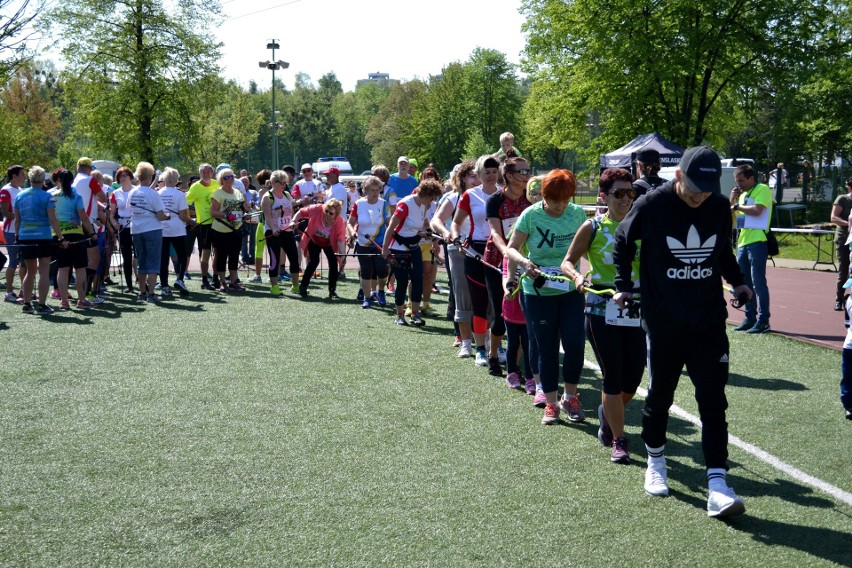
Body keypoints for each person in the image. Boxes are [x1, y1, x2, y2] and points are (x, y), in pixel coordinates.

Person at [612, 145, 752, 518]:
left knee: (713, 400)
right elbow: (623, 242)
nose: (699, 196)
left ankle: (718, 484)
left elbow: (722, 250)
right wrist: (624, 284)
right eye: (693, 188)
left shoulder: (720, 206)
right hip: (664, 320)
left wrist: (737, 281)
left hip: (708, 320)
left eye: (706, 191)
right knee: (660, 396)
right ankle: (656, 462)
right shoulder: (651, 204)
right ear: (678, 176)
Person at [562, 168, 644, 464]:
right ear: (603, 197)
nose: (625, 199)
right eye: (618, 193)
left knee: (633, 378)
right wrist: (577, 278)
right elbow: (567, 262)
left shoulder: (643, 226)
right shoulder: (593, 227)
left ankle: (607, 414)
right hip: (601, 308)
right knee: (613, 373)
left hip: (636, 308)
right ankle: (619, 440)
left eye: (630, 193)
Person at [506, 169, 588, 425]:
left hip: (570, 290)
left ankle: (570, 397)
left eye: (565, 200)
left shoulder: (577, 214)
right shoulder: (530, 215)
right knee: (547, 347)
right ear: (544, 196)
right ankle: (550, 403)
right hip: (538, 292)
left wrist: (583, 274)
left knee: (575, 344)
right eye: (555, 201)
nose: (560, 206)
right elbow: (511, 248)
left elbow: (587, 251)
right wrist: (525, 263)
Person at [450, 155, 504, 375]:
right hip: (474, 252)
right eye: (486, 172)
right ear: (479, 175)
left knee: (500, 305)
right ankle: (480, 348)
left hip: (500, 252)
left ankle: (496, 346)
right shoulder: (469, 195)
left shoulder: (505, 194)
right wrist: (456, 239)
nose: (490, 176)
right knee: (479, 303)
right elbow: (456, 223)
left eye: (494, 172)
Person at [483, 156, 533, 375]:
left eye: (528, 171)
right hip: (496, 262)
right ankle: (493, 355)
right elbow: (495, 233)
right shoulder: (495, 201)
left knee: (523, 319)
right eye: (523, 172)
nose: (527, 175)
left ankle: (514, 366)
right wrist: (508, 254)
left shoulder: (531, 200)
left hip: (526, 263)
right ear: (510, 176)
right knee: (501, 317)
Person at [430, 160, 478, 357]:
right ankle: (465, 341)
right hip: (458, 250)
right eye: (472, 176)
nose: (476, 179)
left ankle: (488, 343)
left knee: (487, 299)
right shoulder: (453, 197)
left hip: (484, 251)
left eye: (478, 175)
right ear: (463, 179)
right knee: (462, 296)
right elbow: (436, 221)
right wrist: (446, 232)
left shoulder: (490, 196)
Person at [382, 179, 443, 326]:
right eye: (432, 197)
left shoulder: (423, 205)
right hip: (399, 247)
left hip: (414, 246)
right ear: (426, 194)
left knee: (417, 280)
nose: (432, 201)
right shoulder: (405, 204)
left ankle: (415, 314)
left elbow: (426, 223)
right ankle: (400, 315)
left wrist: (432, 236)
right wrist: (385, 248)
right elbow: (391, 227)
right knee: (402, 282)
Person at [14, 166, 67, 314]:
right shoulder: (47, 197)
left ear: (30, 179)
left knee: (30, 272)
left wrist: (18, 236)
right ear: (43, 180)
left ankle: (27, 303)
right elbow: (53, 219)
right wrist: (61, 237)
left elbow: (17, 220)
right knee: (44, 271)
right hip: (43, 236)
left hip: (25, 237)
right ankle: (42, 305)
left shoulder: (20, 196)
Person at [730, 164, 772, 334]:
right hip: (743, 242)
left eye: (742, 180)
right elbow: (732, 217)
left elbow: (757, 210)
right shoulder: (742, 195)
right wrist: (732, 200)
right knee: (744, 283)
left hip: (758, 241)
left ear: (751, 178)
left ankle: (763, 320)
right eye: (737, 181)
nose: (739, 184)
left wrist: (737, 207)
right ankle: (749, 317)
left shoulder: (762, 189)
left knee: (758, 283)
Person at [51, 168, 96, 309]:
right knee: (80, 268)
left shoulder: (53, 196)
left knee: (63, 268)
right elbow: (83, 217)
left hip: (58, 236)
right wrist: (92, 232)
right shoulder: (76, 197)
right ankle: (81, 300)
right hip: (76, 235)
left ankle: (64, 300)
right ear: (71, 181)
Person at [128, 162, 169, 301]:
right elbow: (160, 215)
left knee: (141, 261)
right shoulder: (153, 193)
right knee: (153, 261)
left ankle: (141, 293)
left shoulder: (132, 192)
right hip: (152, 229)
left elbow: (130, 209)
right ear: (150, 177)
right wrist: (167, 216)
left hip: (136, 230)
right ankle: (151, 293)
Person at [291, 198, 346, 299]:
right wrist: (294, 220)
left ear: (336, 214)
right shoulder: (316, 209)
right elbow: (301, 212)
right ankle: (303, 287)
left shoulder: (340, 222)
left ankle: (332, 290)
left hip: (329, 244)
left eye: (331, 213)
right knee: (314, 262)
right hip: (314, 240)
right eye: (326, 211)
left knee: (334, 264)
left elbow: (341, 240)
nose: (327, 214)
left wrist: (342, 256)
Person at [348, 175, 389, 308]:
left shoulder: (383, 204)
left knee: (381, 270)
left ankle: (381, 291)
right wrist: (352, 232)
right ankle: (367, 298)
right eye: (372, 190)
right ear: (366, 190)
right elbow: (351, 222)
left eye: (377, 189)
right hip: (363, 243)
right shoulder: (359, 204)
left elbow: (390, 223)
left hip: (380, 243)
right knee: (366, 271)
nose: (375, 193)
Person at [72, 157, 109, 303]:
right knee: (94, 260)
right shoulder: (90, 180)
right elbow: (103, 197)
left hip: (73, 224)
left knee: (75, 263)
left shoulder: (73, 181)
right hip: (87, 224)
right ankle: (88, 294)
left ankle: (77, 295)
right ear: (89, 169)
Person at [209, 168, 249, 292]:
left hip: (235, 230)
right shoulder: (218, 193)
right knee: (221, 256)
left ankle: (233, 282)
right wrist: (226, 215)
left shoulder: (237, 192)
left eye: (231, 176)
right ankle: (222, 283)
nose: (230, 179)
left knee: (234, 256)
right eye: (227, 177)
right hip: (220, 230)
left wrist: (245, 213)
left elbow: (244, 208)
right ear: (221, 180)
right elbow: (213, 212)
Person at [261, 170, 300, 296]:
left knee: (294, 258)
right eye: (281, 183)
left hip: (287, 230)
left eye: (285, 183)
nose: (283, 185)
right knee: (275, 259)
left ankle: (295, 286)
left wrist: (294, 220)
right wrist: (273, 228)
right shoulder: (267, 197)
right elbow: (267, 216)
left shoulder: (287, 195)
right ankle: (274, 287)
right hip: (273, 232)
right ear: (273, 182)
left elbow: (293, 207)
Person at [185, 163, 220, 290]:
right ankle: (204, 280)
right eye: (203, 172)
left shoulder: (217, 184)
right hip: (204, 225)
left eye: (208, 172)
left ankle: (216, 278)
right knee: (205, 253)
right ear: (200, 173)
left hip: (218, 223)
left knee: (217, 252)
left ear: (212, 173)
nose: (206, 174)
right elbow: (184, 203)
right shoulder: (195, 187)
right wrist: (190, 220)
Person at [157, 168, 190, 297]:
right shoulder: (180, 194)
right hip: (178, 229)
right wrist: (192, 222)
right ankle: (180, 279)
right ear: (176, 180)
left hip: (162, 229)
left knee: (163, 259)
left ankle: (164, 285)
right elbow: (183, 215)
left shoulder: (158, 193)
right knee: (182, 256)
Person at [1, 164, 26, 302]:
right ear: (14, 176)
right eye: (22, 174)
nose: (25, 177)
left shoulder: (21, 189)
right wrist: (22, 217)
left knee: (24, 262)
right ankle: (9, 292)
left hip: (23, 231)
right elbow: (5, 213)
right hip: (11, 231)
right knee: (13, 261)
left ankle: (24, 290)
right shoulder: (6, 190)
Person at [109, 166, 136, 293]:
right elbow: (111, 213)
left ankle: (142, 282)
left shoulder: (137, 191)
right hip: (123, 229)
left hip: (137, 227)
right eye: (120, 176)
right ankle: (129, 285)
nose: (123, 177)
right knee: (126, 257)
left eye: (125, 175)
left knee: (138, 256)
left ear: (131, 177)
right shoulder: (115, 193)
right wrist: (114, 223)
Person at [830, 177, 852, 310]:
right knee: (844, 270)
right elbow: (833, 218)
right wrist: (849, 224)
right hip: (844, 239)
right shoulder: (843, 199)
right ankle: (839, 299)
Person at [841, 296, 852, 420]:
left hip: (849, 345)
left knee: (848, 378)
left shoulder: (848, 299)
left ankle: (849, 406)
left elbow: (847, 324)